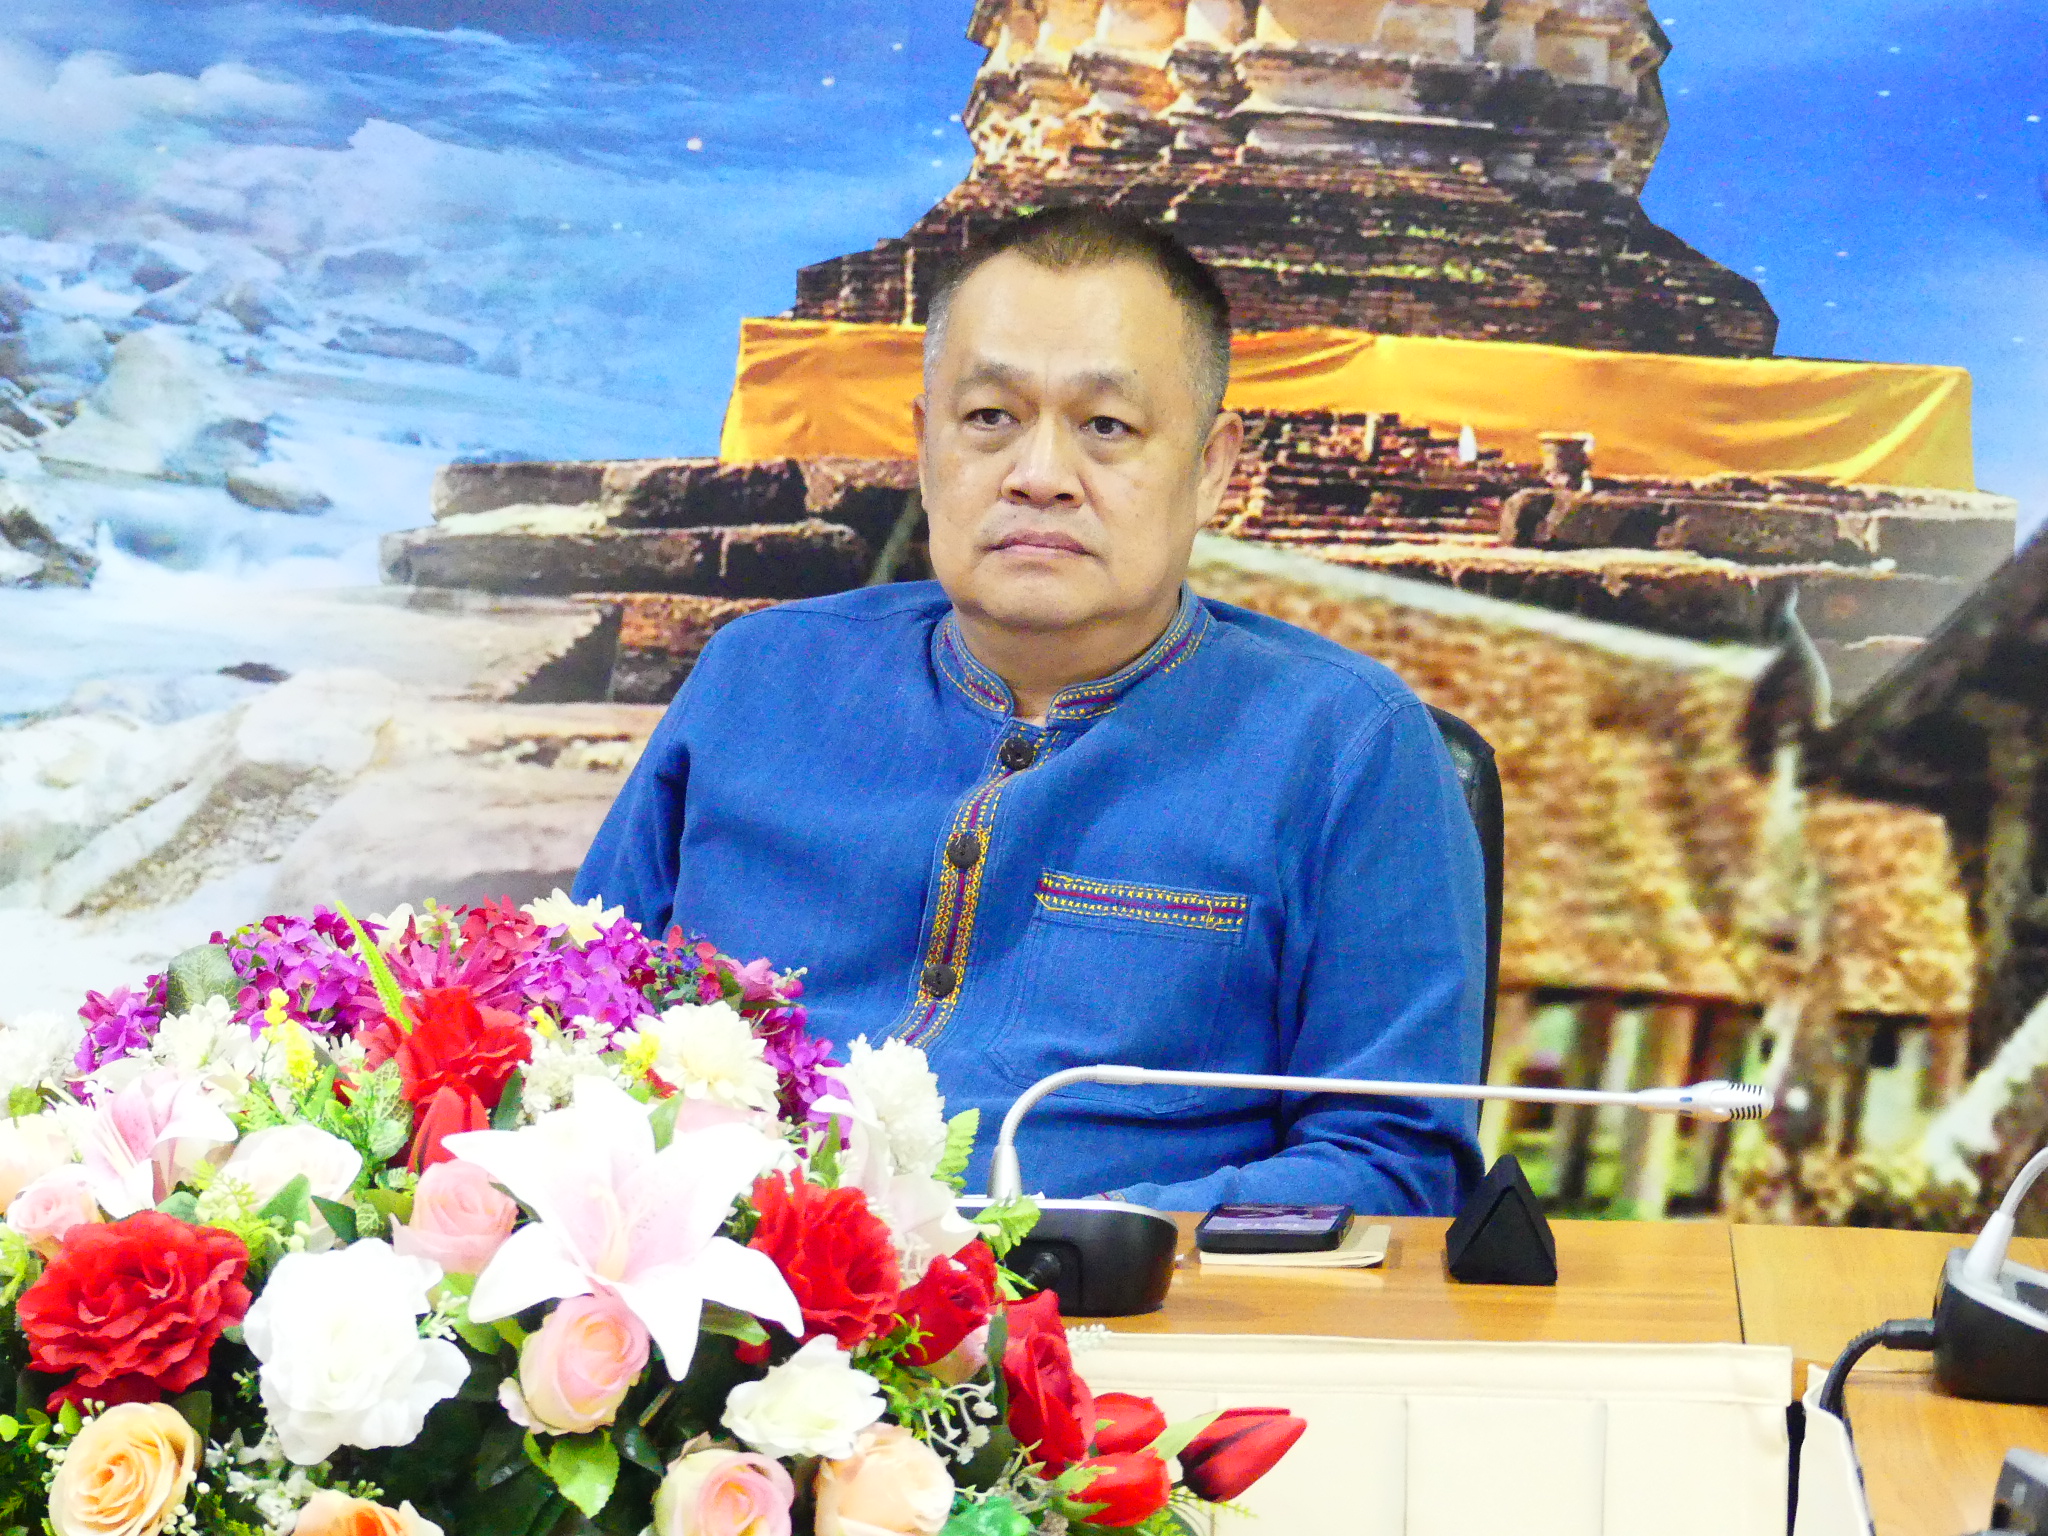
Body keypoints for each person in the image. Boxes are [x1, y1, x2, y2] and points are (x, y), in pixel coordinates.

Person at [575, 207, 1487, 1212]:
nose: (1040, 477)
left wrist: (1079, 1246)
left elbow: (1392, 1166)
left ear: (1211, 468)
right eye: (988, 419)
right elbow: (567, 1020)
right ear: (924, 446)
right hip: (715, 1284)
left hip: (1120, 1300)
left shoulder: (1346, 746)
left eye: (1107, 427)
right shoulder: (756, 679)